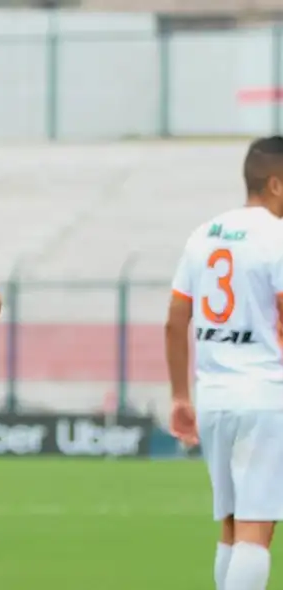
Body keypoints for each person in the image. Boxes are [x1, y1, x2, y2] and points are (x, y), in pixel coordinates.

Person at [165, 136, 283, 590]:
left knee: (232, 525)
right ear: (274, 184)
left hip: (213, 397)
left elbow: (176, 320)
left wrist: (180, 395)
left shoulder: (206, 233)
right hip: (264, 394)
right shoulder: (275, 237)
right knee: (258, 527)